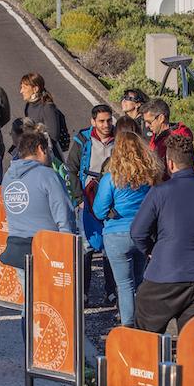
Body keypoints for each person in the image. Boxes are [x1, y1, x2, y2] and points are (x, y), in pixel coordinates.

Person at [130, 134, 194, 333]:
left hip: (164, 275)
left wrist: (150, 251)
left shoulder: (160, 192)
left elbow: (137, 232)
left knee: (146, 335)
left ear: (169, 163)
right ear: (193, 160)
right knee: (192, 341)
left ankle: (150, 362)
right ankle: (192, 364)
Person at [93, 127, 163, 327]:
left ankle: (128, 326)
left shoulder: (111, 178)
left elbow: (99, 210)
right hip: (142, 232)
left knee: (124, 285)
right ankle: (143, 323)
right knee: (140, 280)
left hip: (116, 234)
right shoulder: (149, 176)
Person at [0, 129, 77, 288]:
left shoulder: (8, 177)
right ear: (41, 149)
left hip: (16, 247)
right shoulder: (48, 175)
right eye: (48, 150)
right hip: (46, 248)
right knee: (49, 302)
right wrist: (68, 251)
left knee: (30, 301)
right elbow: (64, 215)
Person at [68, 104, 118, 307]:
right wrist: (78, 197)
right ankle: (84, 292)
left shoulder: (120, 138)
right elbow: (71, 168)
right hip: (87, 197)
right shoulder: (82, 140)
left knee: (110, 245)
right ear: (93, 122)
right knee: (86, 245)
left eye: (109, 120)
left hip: (112, 196)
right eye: (101, 121)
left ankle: (111, 292)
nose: (106, 125)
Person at [17, 72, 70, 160]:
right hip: (33, 153)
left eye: (24, 87)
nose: (21, 91)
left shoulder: (48, 108)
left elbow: (53, 137)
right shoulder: (28, 106)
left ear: (35, 89)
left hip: (48, 157)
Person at [139, 98, 193, 176]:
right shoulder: (157, 136)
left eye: (149, 122)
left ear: (161, 118)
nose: (147, 126)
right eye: (145, 122)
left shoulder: (178, 139)